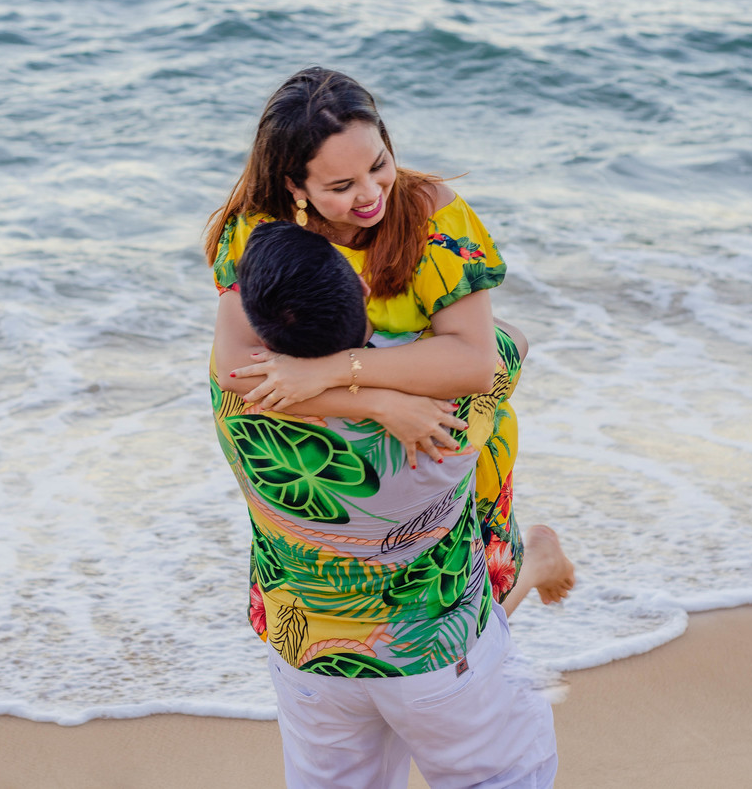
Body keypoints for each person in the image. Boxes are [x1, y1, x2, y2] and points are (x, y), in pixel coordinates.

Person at [205, 66, 573, 616]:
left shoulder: (431, 214)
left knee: (464, 600)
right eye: (340, 187)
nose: (371, 193)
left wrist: (334, 371)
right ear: (294, 186)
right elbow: (234, 369)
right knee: (342, 597)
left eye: (379, 165)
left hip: (437, 395)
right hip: (355, 405)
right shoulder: (262, 229)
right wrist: (376, 402)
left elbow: (476, 362)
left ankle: (535, 560)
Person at [212, 219, 558, 787]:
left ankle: (530, 565)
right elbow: (507, 341)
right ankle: (527, 564)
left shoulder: (232, 394)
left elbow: (233, 310)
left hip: (308, 657)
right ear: (365, 291)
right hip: (437, 660)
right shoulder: (447, 403)